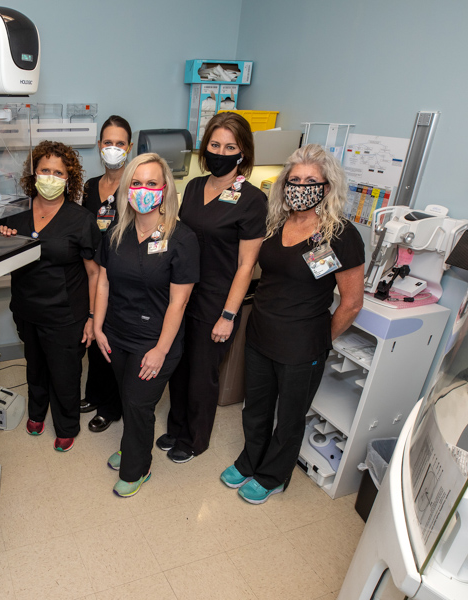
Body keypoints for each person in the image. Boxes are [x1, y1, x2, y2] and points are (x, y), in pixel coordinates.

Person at [220, 143, 365, 504]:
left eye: (310, 180)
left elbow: (351, 303)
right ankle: (250, 459)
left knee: (289, 416)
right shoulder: (275, 223)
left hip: (303, 346)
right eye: (294, 179)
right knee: (255, 407)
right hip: (261, 335)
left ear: (326, 187)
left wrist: (319, 340)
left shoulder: (340, 236)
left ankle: (274, 475)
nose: (300, 186)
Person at [162, 112, 267, 463]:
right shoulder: (194, 187)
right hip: (183, 293)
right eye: (215, 144)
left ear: (243, 153)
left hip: (216, 300)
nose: (220, 151)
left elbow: (246, 266)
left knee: (201, 375)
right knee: (177, 365)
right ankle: (176, 427)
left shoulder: (252, 200)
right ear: (206, 147)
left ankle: (195, 439)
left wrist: (228, 315)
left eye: (230, 146)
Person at [94, 153, 200, 497]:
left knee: (139, 405)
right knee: (128, 398)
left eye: (151, 183)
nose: (143, 189)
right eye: (136, 183)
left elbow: (179, 302)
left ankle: (138, 467)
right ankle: (131, 446)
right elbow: (104, 282)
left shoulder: (182, 239)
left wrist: (160, 350)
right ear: (127, 189)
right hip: (117, 334)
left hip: (155, 340)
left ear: (165, 188)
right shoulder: (116, 231)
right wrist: (97, 326)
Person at [0, 140, 101, 452]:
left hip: (66, 314)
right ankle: (37, 413)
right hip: (27, 310)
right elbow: (0, 257)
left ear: (69, 179)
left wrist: (93, 318)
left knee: (65, 374)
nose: (51, 177)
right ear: (34, 173)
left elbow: (95, 273)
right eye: (45, 170)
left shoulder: (80, 219)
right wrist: (3, 240)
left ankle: (67, 425)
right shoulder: (15, 214)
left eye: (58, 172)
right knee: (35, 366)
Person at [79, 115, 132, 433]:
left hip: (122, 277)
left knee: (112, 342)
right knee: (94, 334)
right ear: (100, 146)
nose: (113, 148)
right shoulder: (90, 186)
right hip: (93, 273)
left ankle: (111, 407)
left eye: (120, 143)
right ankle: (95, 394)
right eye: (108, 142)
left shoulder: (135, 187)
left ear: (129, 147)